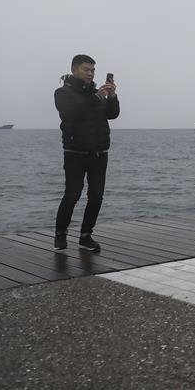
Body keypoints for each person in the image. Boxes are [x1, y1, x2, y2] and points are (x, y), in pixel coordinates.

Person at [53, 54, 119, 251]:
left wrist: (112, 96)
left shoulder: (95, 93)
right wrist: (98, 96)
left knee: (97, 196)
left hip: (100, 152)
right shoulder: (62, 93)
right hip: (75, 152)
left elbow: (112, 114)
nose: (90, 74)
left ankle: (86, 235)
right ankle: (60, 234)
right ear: (74, 70)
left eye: (93, 71)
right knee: (72, 194)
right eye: (86, 70)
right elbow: (74, 112)